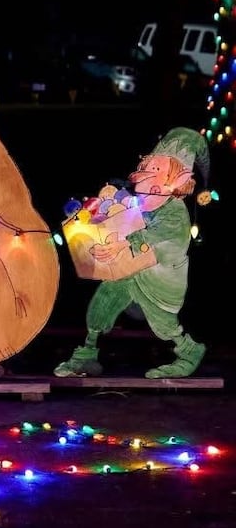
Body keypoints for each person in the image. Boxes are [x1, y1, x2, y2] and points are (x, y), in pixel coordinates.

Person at [55, 127, 211, 379]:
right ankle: (87, 353)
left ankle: (189, 351)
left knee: (164, 324)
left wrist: (126, 242)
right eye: (148, 164)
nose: (147, 170)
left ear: (177, 179)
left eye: (157, 169)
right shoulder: (143, 199)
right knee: (101, 304)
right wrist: (111, 196)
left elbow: (167, 241)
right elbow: (125, 208)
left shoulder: (175, 212)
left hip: (157, 280)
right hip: (127, 272)